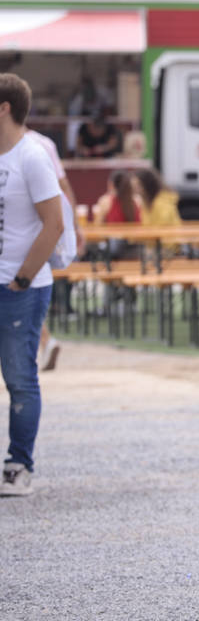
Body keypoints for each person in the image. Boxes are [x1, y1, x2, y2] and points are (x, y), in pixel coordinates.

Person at [0, 73, 65, 497]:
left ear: (4, 108)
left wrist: (22, 278)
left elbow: (54, 224)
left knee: (20, 377)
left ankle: (18, 464)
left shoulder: (32, 156)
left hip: (21, 286)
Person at [24, 125, 84, 371]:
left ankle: (44, 341)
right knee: (29, 286)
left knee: (20, 289)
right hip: (44, 226)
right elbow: (64, 187)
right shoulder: (44, 143)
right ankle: (45, 341)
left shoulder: (18, 146)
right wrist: (76, 226)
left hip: (21, 228)